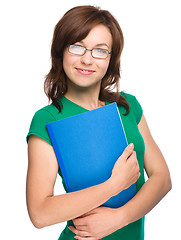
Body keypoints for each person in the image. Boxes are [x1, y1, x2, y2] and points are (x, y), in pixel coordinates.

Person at [26, 5, 172, 240]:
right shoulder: (48, 119)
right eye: (77, 47)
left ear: (111, 58)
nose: (87, 59)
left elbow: (162, 178)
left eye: (100, 50)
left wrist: (119, 218)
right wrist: (114, 185)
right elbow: (39, 213)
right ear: (61, 51)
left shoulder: (128, 107)